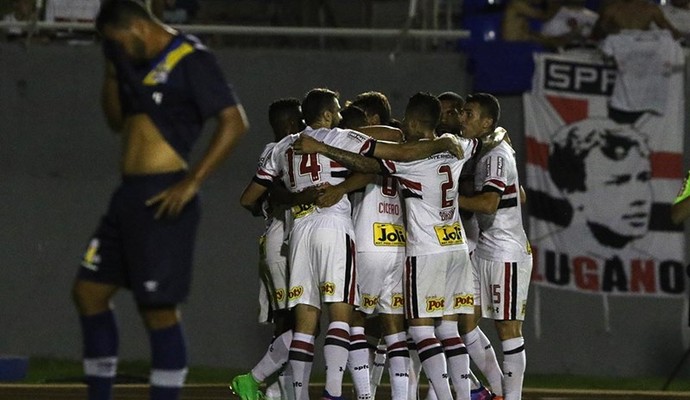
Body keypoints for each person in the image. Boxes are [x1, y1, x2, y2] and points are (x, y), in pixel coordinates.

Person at [71, 2, 248, 400]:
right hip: (128, 196)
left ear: (136, 27)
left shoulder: (192, 58)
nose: (113, 47)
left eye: (115, 41)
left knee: (158, 310)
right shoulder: (131, 63)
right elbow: (117, 121)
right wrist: (113, 68)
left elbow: (234, 120)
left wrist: (192, 182)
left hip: (164, 195)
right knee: (89, 292)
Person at [248, 88, 460, 400]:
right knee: (358, 320)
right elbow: (385, 159)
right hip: (367, 234)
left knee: (305, 321)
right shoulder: (342, 138)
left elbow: (253, 195)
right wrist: (442, 141)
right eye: (336, 110)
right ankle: (340, 393)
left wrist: (291, 198)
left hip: (302, 232)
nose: (339, 116)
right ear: (325, 114)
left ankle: (301, 394)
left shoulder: (280, 148)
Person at [294, 92, 490, 400]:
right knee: (444, 331)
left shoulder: (407, 160)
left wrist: (321, 146)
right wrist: (443, 141)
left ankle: (363, 395)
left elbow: (369, 161)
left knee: (406, 329)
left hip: (421, 252)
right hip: (455, 247)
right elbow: (485, 140)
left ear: (412, 121)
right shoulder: (460, 147)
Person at [457, 93, 532, 400]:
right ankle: (495, 390)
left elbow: (488, 204)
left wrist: (448, 198)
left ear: (487, 122)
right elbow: (521, 195)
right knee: (464, 321)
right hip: (485, 249)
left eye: (470, 114)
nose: (463, 118)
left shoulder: (496, 155)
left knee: (508, 329)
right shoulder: (488, 151)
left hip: (506, 253)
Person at [231, 98, 306, 400]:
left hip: (289, 241)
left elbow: (254, 202)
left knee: (294, 323)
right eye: (300, 119)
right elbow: (255, 195)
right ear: (289, 123)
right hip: (283, 244)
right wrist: (282, 201)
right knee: (298, 324)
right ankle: (254, 381)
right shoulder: (278, 150)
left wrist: (266, 205)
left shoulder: (292, 149)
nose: (304, 123)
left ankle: (276, 393)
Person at [546, 117, 652, 255]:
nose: (639, 198)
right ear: (574, 193)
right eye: (618, 182)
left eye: (644, 178)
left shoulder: (651, 265)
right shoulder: (541, 259)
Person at [590, 0, 682, 40]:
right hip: (640, 51)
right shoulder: (651, 10)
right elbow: (674, 34)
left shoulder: (611, 9)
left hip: (620, 50)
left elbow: (595, 35)